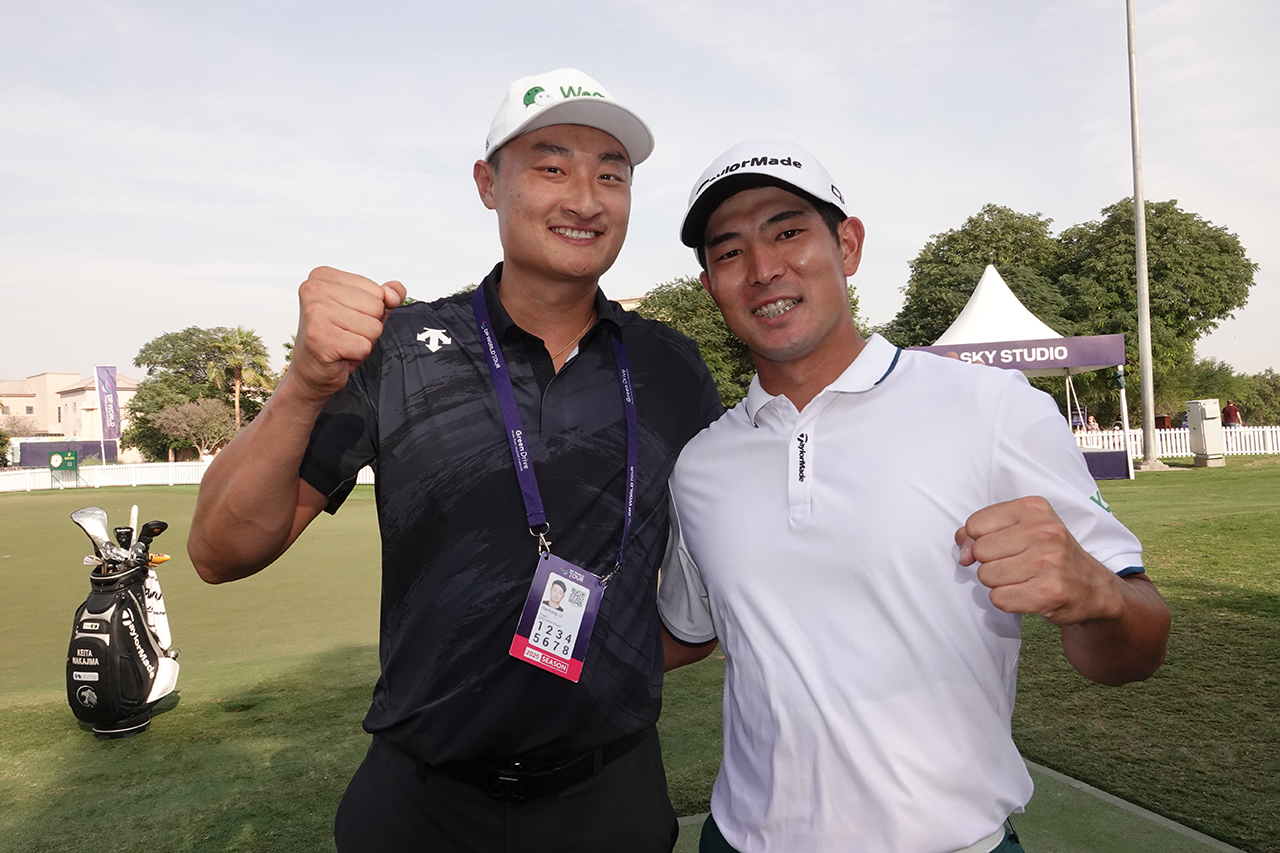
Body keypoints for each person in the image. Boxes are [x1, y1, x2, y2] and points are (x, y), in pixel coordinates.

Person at [188, 68, 722, 852]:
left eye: (611, 175)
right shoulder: (400, 351)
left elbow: (717, 579)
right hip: (422, 807)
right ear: (487, 183)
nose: (585, 198)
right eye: (552, 166)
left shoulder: (670, 366)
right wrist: (302, 385)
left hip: (610, 801)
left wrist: (627, 660)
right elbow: (218, 550)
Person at [658, 140, 1171, 853]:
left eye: (788, 231)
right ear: (711, 283)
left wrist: (1099, 594)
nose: (764, 268)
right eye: (729, 251)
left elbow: (1138, 646)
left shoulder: (992, 406)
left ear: (848, 245)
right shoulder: (700, 464)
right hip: (741, 840)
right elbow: (684, 633)